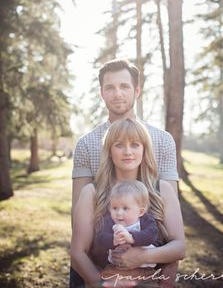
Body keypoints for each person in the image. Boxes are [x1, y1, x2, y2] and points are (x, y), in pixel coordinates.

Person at [71, 59, 179, 287]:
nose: (117, 94)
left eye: (124, 86)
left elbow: (169, 222)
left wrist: (163, 275)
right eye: (110, 87)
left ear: (137, 90)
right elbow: (80, 217)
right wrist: (96, 276)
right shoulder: (86, 144)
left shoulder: (163, 140)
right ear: (101, 93)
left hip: (150, 264)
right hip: (99, 262)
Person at [93, 180, 160, 271]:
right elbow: (99, 239)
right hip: (115, 269)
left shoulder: (146, 221)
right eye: (115, 208)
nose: (119, 213)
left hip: (144, 270)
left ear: (140, 212)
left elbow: (151, 236)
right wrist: (113, 240)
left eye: (125, 208)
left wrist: (132, 238)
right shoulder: (110, 222)